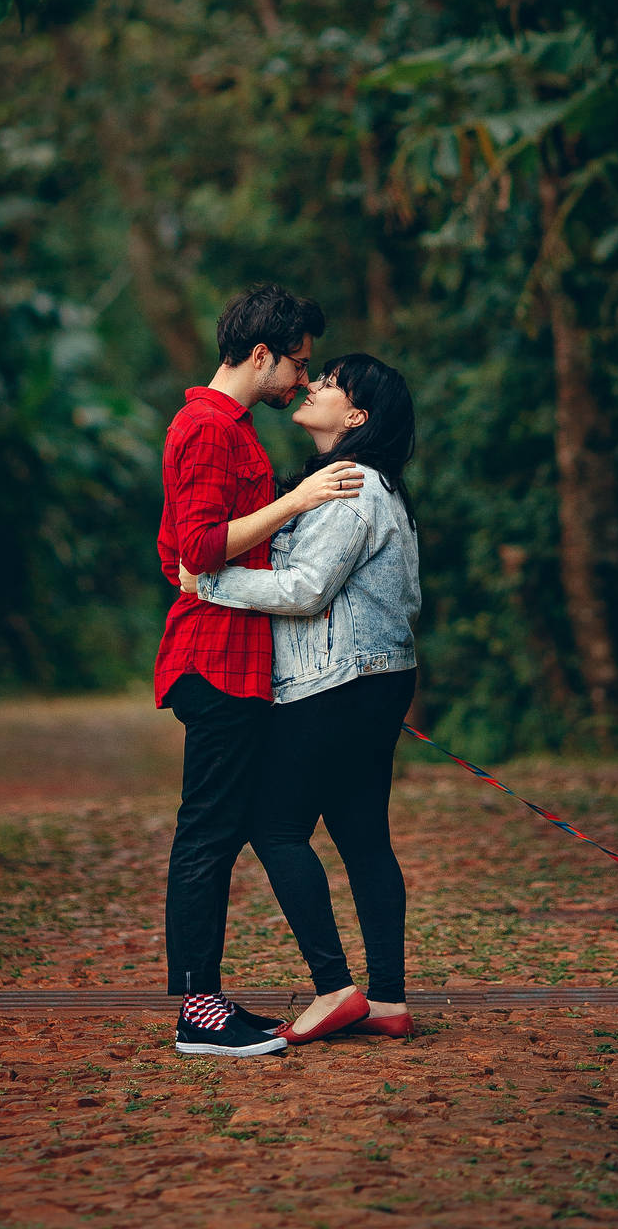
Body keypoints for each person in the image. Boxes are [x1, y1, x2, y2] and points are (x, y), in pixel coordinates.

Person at [181, 353, 420, 1044]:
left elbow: (305, 589)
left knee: (273, 827)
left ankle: (335, 988)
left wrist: (207, 584)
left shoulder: (350, 485)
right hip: (371, 681)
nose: (311, 385)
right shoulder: (370, 487)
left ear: (356, 417)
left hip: (335, 686)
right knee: (362, 835)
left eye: (329, 381)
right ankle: (389, 1001)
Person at [156, 283, 367, 1058]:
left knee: (225, 828)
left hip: (234, 661)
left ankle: (212, 1001)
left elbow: (174, 549)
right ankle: (197, 1010)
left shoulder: (225, 427)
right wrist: (300, 497)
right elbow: (199, 550)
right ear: (259, 355)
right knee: (207, 834)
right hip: (214, 660)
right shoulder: (209, 429)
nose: (302, 382)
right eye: (298, 366)